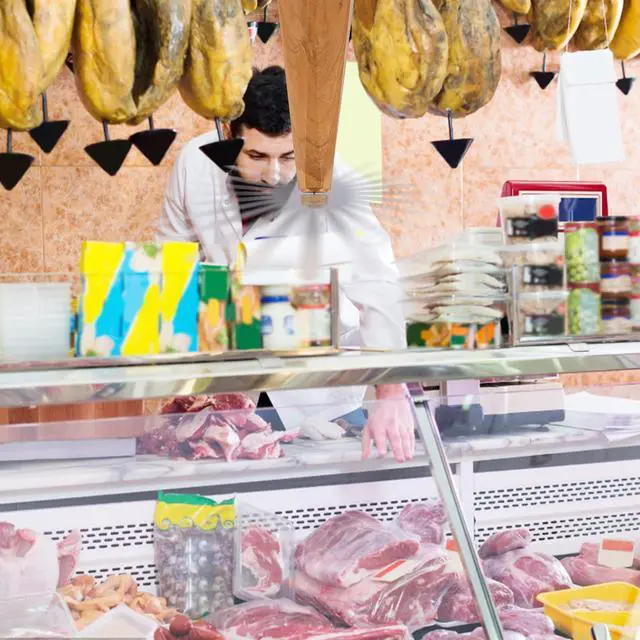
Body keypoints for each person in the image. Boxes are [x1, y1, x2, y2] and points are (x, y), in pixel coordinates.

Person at [157, 65, 414, 463]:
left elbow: (377, 279)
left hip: (316, 395)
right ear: (228, 134)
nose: (273, 174)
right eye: (256, 155)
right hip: (229, 386)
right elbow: (172, 265)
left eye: (288, 156)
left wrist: (391, 392)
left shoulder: (333, 177)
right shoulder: (194, 164)